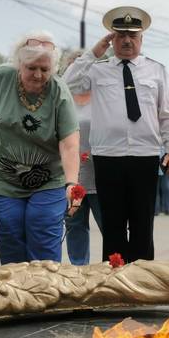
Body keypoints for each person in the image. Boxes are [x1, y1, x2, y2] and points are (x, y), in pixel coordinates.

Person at [63, 6, 169, 263]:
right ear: (112, 39)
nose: (126, 40)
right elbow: (67, 83)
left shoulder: (156, 70)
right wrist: (93, 53)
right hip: (108, 157)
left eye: (133, 35)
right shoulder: (97, 69)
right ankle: (115, 283)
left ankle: (142, 281)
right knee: (112, 225)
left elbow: (166, 114)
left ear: (141, 39)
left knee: (142, 224)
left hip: (145, 156)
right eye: (120, 34)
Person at [0, 31, 80, 264]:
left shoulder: (59, 90)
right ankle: (14, 295)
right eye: (31, 68)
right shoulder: (1, 77)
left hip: (49, 178)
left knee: (42, 228)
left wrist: (72, 183)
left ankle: (44, 295)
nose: (38, 75)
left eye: (45, 70)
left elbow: (69, 142)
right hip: (5, 177)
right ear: (19, 64)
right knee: (10, 232)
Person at [61, 50, 103, 266]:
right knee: (75, 226)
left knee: (108, 225)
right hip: (72, 177)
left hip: (98, 175)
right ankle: (79, 269)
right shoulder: (63, 100)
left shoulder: (103, 98)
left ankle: (114, 268)